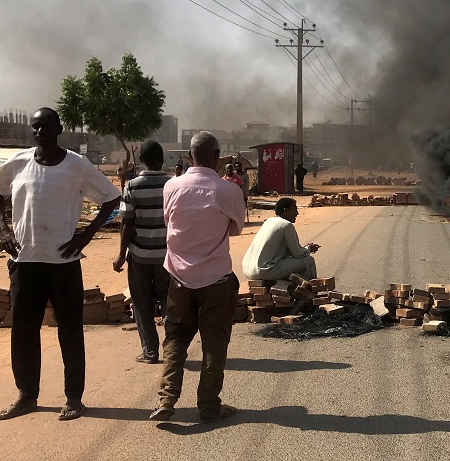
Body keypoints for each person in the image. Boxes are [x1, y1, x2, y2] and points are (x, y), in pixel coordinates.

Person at [0, 108, 121, 422]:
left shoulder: (77, 165)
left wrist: (86, 235)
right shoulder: (19, 162)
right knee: (22, 331)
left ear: (59, 128)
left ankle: (74, 398)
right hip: (24, 262)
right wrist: (3, 228)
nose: (40, 131)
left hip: (63, 263)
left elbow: (111, 199)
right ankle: (26, 396)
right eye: (35, 127)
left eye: (46, 126)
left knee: (70, 332)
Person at [150, 132, 245, 424]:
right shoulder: (228, 190)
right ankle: (208, 405)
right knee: (214, 342)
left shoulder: (171, 187)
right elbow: (237, 228)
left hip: (178, 277)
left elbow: (169, 221)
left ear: (189, 157)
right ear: (217, 156)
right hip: (216, 279)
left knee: (176, 338)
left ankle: (167, 399)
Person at [113, 141, 171, 365]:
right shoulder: (173, 185)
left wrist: (120, 254)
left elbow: (127, 223)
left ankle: (150, 352)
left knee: (142, 303)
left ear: (141, 160)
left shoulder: (132, 186)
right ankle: (172, 350)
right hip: (168, 257)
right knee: (169, 302)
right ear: (162, 159)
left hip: (139, 256)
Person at [242, 198, 320, 285]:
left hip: (247, 269)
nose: (297, 213)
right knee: (309, 260)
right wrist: (309, 249)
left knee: (290, 262)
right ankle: (307, 293)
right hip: (265, 270)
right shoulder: (286, 225)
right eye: (295, 210)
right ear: (285, 210)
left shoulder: (269, 221)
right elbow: (297, 254)